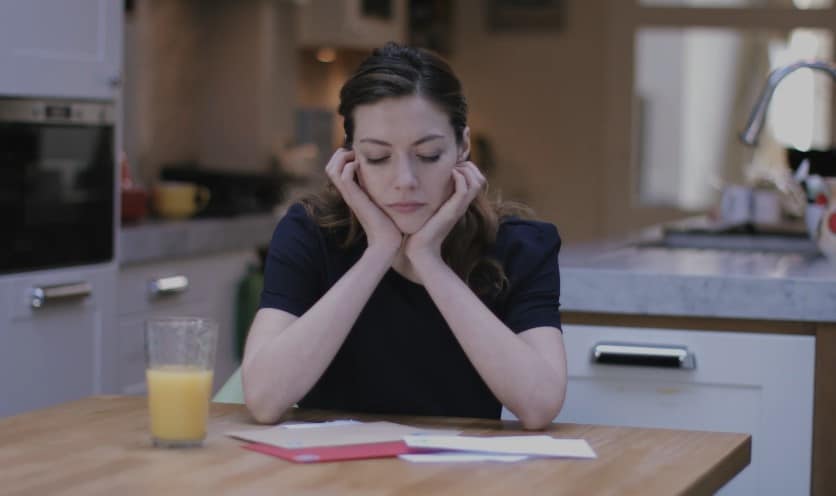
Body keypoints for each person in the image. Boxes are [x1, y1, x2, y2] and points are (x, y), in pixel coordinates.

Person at [242, 43, 567, 430]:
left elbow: (540, 405)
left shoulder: (521, 245)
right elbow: (263, 400)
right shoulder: (309, 234)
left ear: (462, 147)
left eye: (428, 154)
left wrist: (428, 260)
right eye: (378, 157)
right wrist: (379, 252)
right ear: (350, 159)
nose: (405, 181)